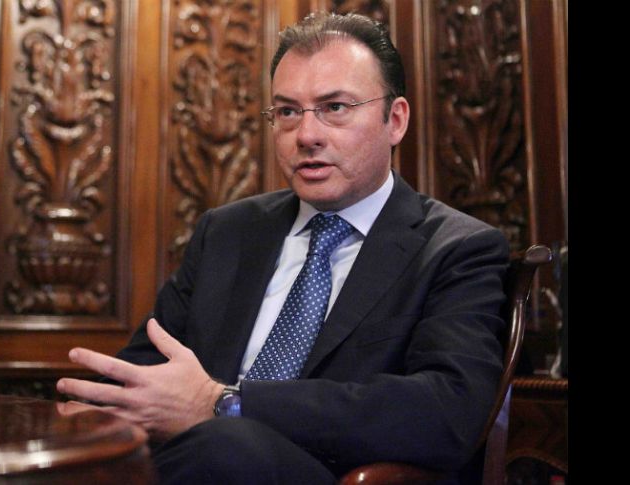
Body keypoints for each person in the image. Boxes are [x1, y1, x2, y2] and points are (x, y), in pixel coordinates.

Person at [56, 11, 509, 485]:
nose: (307, 136)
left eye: (335, 107)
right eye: (288, 112)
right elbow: (144, 373)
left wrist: (226, 404)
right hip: (192, 466)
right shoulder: (226, 233)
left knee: (225, 447)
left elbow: (446, 411)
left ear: (394, 120)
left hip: (331, 473)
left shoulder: (458, 249)